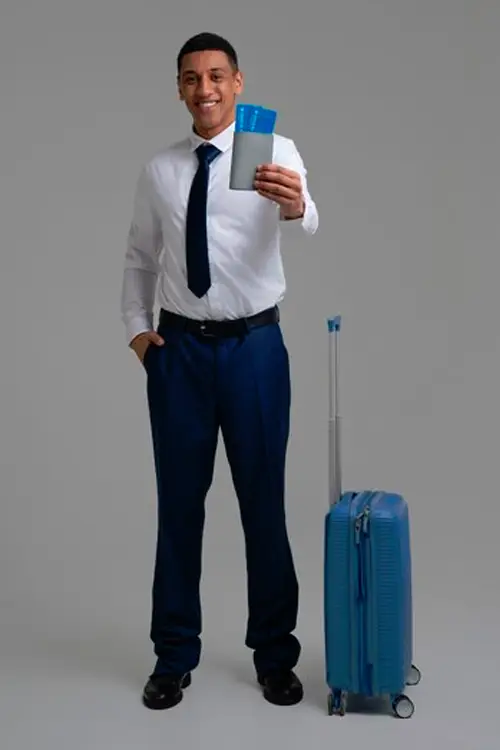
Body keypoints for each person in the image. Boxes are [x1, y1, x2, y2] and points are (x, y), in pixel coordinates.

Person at [120, 32, 318, 711]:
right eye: (190, 78)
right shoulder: (162, 169)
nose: (203, 89)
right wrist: (139, 335)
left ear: (237, 81)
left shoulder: (275, 150)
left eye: (215, 76)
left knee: (263, 504)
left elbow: (307, 215)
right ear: (179, 88)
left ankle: (274, 656)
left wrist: (295, 205)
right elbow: (140, 259)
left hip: (255, 351)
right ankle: (173, 656)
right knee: (179, 508)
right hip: (179, 356)